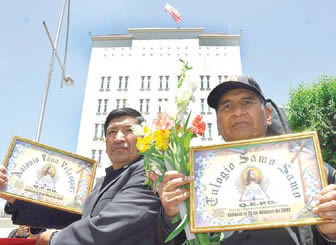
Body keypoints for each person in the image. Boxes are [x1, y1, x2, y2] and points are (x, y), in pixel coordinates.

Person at [158, 75, 336, 244]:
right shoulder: (195, 183)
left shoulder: (315, 172)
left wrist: (331, 233)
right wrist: (172, 216)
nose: (237, 112)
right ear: (218, 125)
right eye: (227, 106)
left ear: (267, 115)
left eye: (247, 102)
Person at [0, 107, 162, 245]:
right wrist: (12, 194)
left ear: (144, 138)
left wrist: (54, 239)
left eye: (129, 130)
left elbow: (116, 223)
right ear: (106, 143)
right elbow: (72, 216)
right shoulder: (100, 183)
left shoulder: (149, 171)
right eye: (112, 132)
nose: (118, 138)